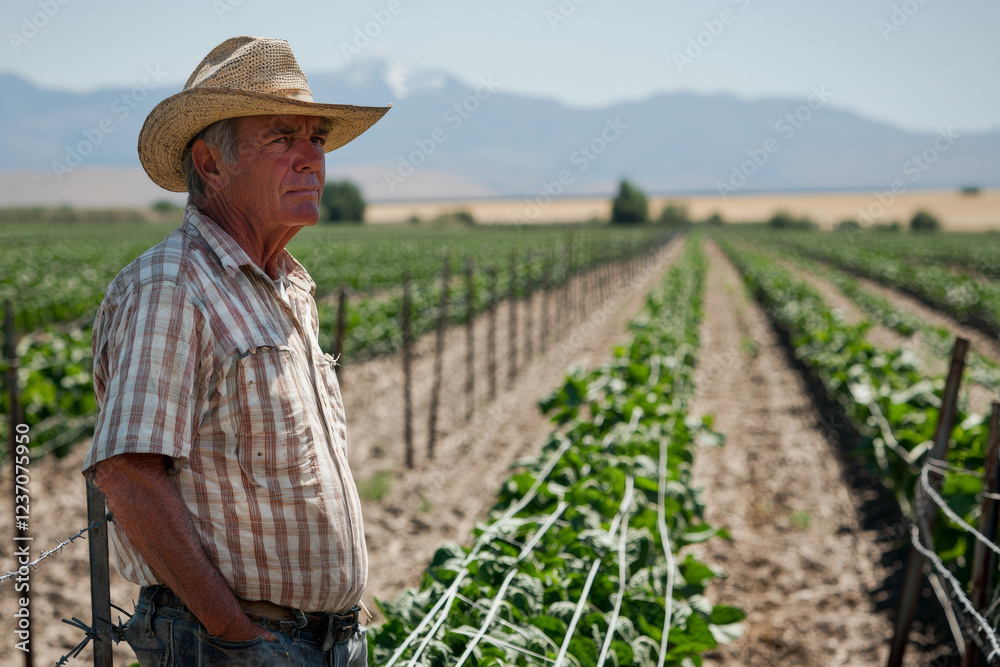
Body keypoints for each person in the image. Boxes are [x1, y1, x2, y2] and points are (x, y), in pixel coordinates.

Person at [81, 36, 390, 666]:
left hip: (321, 642)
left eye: (318, 139)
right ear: (212, 163)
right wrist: (236, 636)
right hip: (229, 646)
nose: (311, 160)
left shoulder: (287, 286)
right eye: (282, 138)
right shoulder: (173, 286)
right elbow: (128, 475)